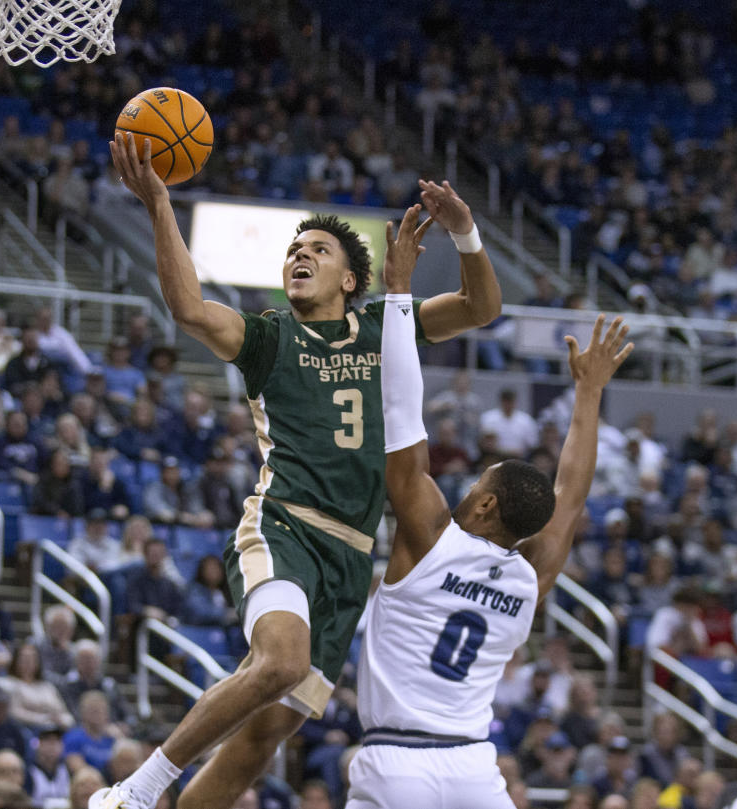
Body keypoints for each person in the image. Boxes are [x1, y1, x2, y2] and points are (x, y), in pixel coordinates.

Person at [96, 132, 500, 809]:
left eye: (317, 249)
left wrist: (465, 232)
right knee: (279, 660)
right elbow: (190, 309)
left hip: (350, 560)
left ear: (349, 279)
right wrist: (160, 205)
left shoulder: (382, 329)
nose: (299, 256)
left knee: (263, 737)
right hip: (283, 524)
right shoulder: (268, 337)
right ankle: (136, 790)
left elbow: (482, 308)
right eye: (293, 249)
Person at [343, 229, 630, 809]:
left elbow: (402, 414)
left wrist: (400, 296)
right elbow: (570, 492)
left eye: (479, 481)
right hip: (475, 770)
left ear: (486, 504)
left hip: (399, 761)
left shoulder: (427, 539)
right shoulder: (532, 576)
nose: (470, 484)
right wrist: (589, 394)